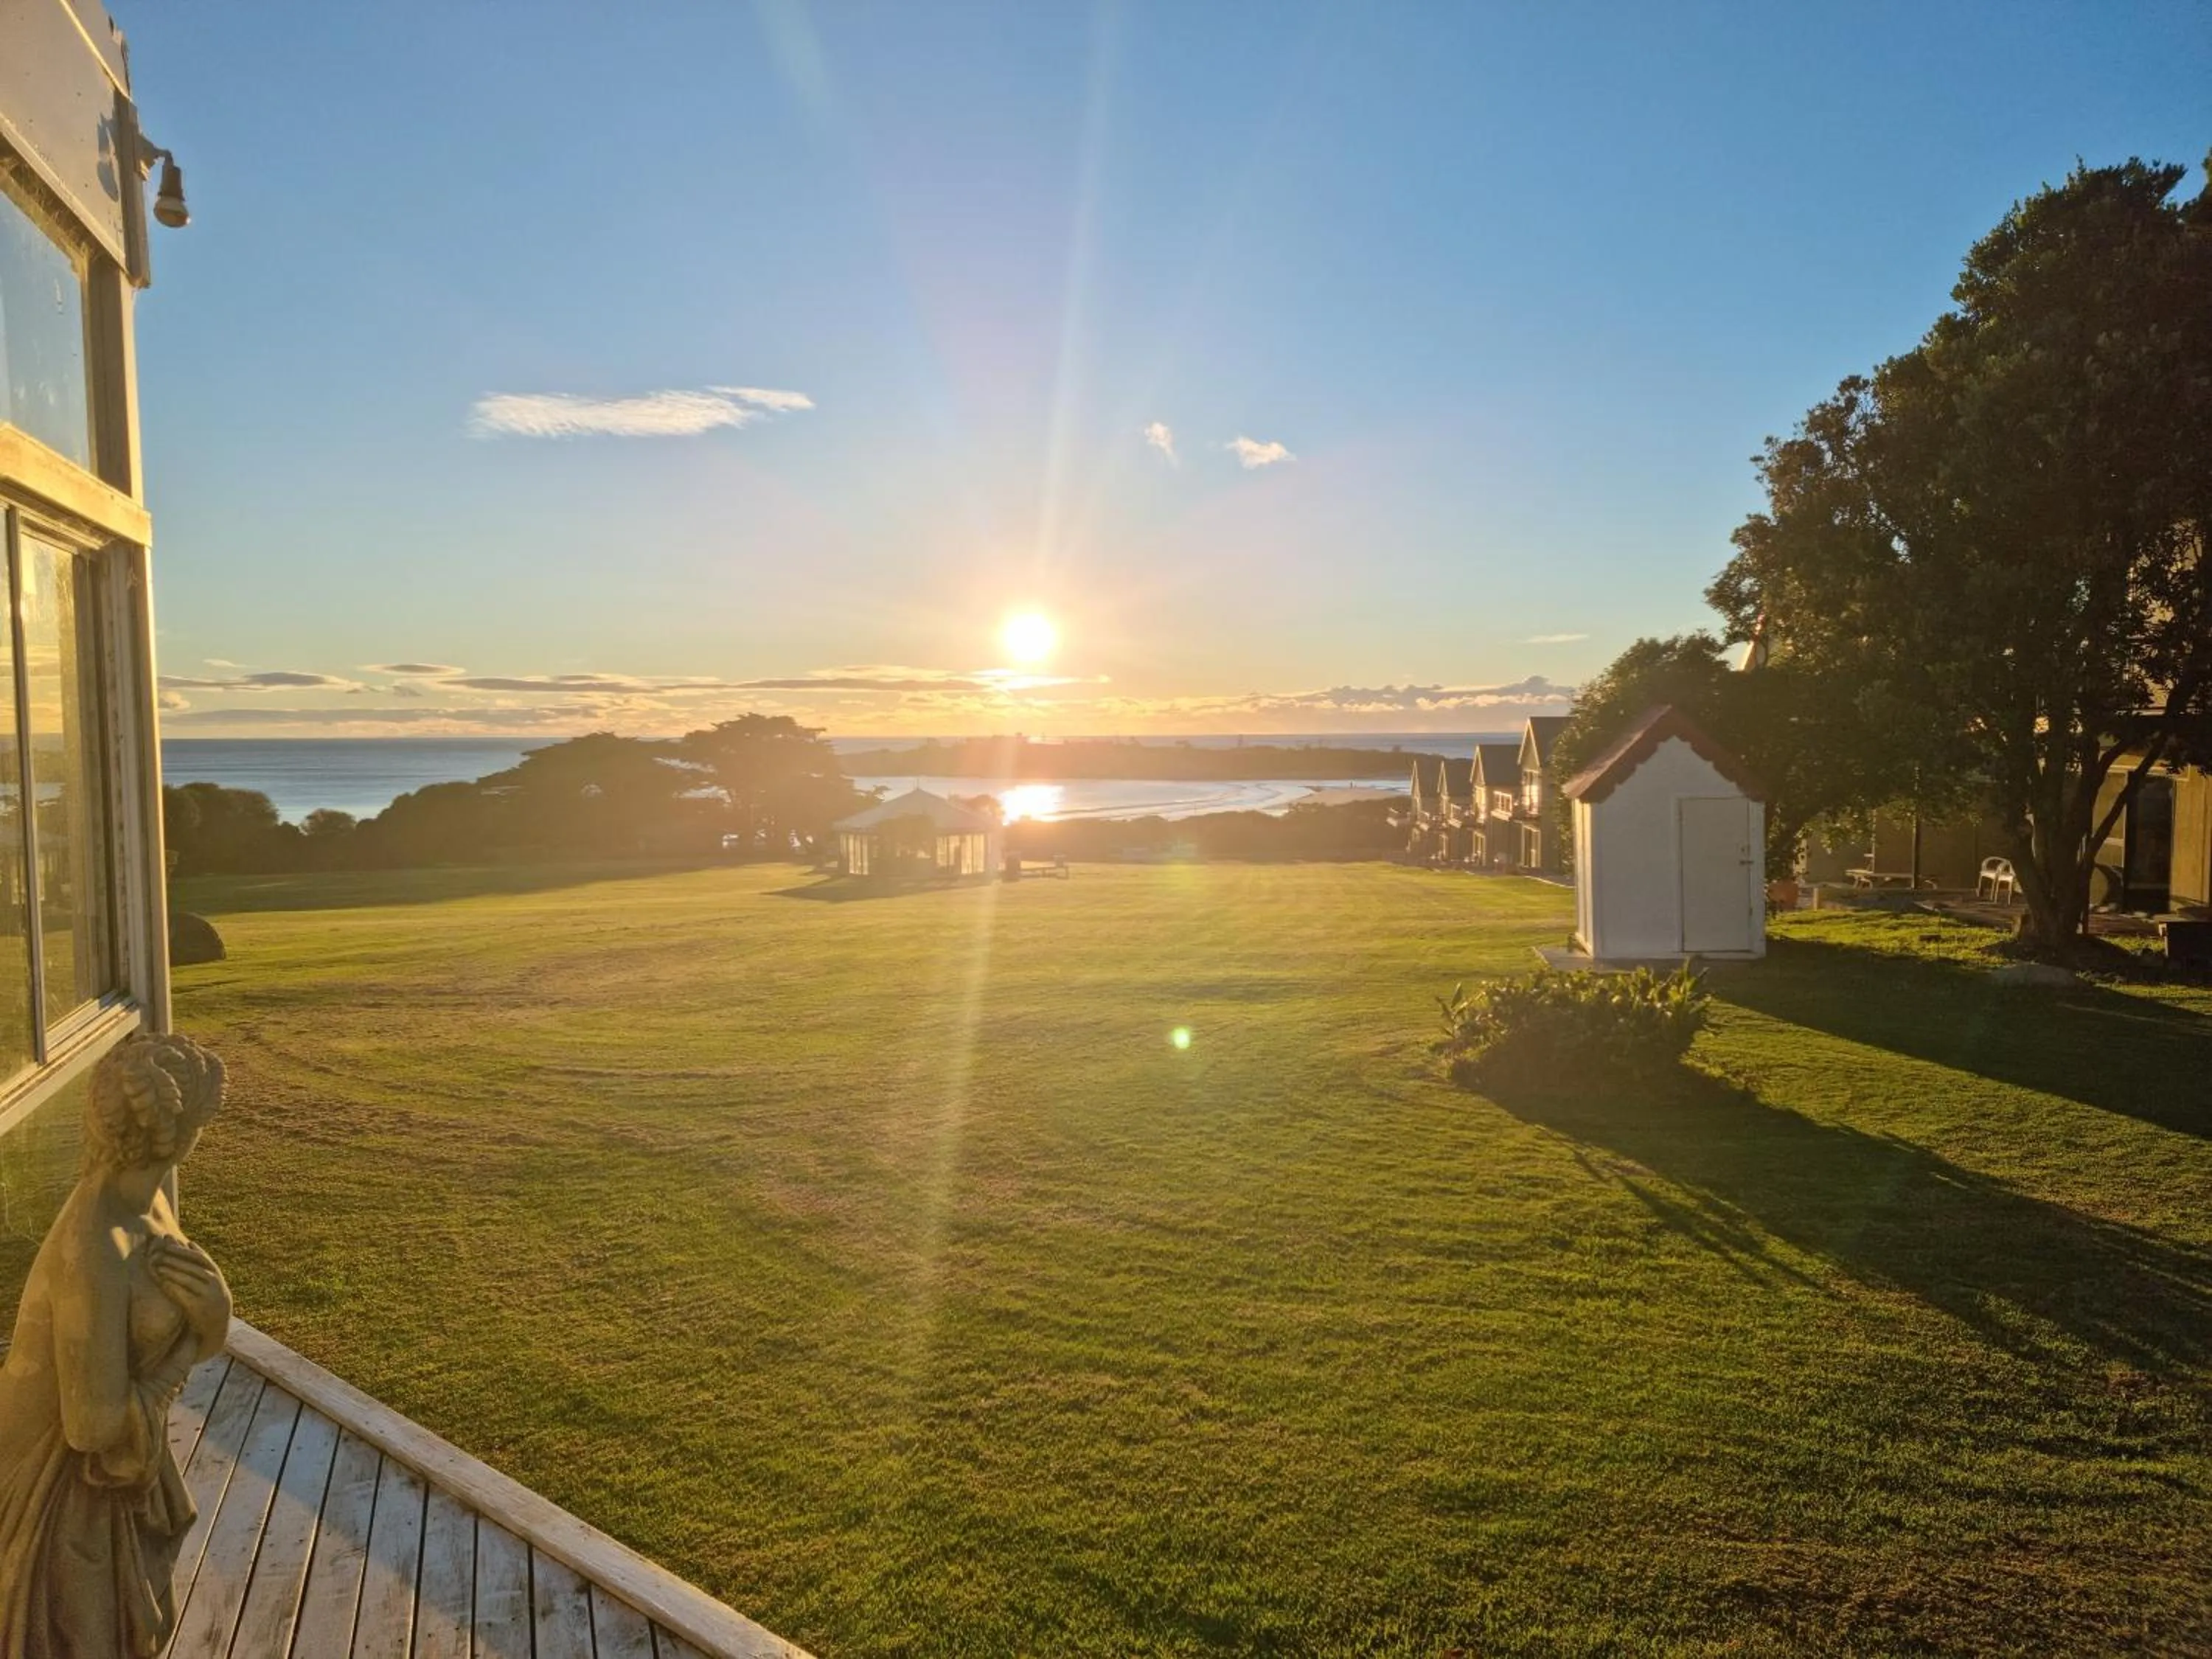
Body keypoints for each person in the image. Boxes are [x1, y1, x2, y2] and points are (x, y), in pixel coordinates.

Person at [0, 1032, 230, 1658]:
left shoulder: (143, 1200)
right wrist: (197, 1341)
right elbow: (93, 1427)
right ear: (182, 1132)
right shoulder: (98, 1249)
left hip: (116, 1487)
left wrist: (212, 1319)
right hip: (63, 1507)